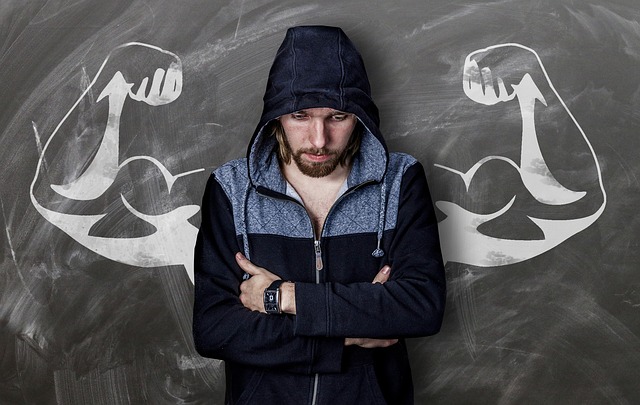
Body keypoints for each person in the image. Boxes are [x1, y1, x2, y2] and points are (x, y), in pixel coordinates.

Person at [193, 25, 446, 404]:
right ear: (276, 116)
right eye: (299, 116)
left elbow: (420, 307)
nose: (318, 139)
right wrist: (346, 336)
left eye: (338, 117)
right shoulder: (231, 188)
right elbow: (215, 330)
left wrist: (285, 298)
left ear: (359, 117)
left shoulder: (400, 181)